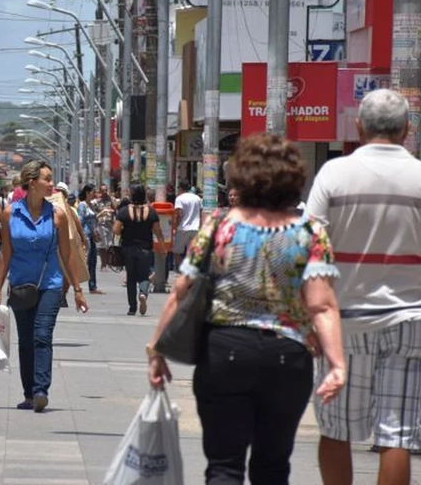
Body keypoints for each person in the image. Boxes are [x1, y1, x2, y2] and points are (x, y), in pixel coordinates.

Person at [147, 132, 346, 485]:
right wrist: (336, 364)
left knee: (224, 466)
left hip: (225, 351)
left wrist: (157, 349)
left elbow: (182, 290)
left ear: (239, 176)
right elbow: (322, 305)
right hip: (288, 357)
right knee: (273, 466)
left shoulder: (220, 228)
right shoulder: (310, 232)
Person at [306, 89, 421, 485]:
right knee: (397, 434)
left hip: (343, 319)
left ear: (359, 127)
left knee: (336, 428)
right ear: (408, 129)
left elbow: (310, 249)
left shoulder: (334, 175)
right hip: (410, 319)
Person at [0, 160, 87, 413]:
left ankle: (41, 390)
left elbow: (66, 255)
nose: (51, 183)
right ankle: (29, 394)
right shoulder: (10, 213)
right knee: (26, 340)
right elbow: (6, 255)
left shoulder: (58, 215)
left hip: (50, 284)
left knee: (42, 335)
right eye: (46, 178)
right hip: (21, 284)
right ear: (32, 182)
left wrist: (77, 289)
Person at [113, 185, 166, 316]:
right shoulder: (152, 212)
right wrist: (163, 248)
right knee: (144, 275)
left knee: (130, 277)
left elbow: (115, 230)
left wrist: (125, 228)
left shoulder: (124, 211)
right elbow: (158, 232)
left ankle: (132, 308)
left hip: (128, 247)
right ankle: (143, 293)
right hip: (145, 248)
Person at [48, 182, 88, 308]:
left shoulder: (67, 208)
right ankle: (59, 295)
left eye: (62, 191)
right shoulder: (52, 205)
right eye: (58, 190)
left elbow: (77, 223)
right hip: (53, 243)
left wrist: (82, 238)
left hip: (64, 242)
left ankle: (62, 295)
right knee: (61, 270)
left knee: (65, 271)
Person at [77, 184, 104, 295]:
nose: (95, 194)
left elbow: (93, 220)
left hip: (92, 236)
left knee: (93, 261)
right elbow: (80, 221)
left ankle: (92, 286)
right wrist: (82, 237)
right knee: (85, 261)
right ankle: (76, 283)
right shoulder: (82, 205)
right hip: (85, 236)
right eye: (93, 191)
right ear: (87, 192)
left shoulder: (91, 205)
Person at [173, 179, 203, 271]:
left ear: (180, 188)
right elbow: (201, 213)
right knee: (192, 252)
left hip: (183, 228)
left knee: (176, 251)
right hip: (196, 228)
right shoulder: (197, 198)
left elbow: (179, 214)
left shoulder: (179, 198)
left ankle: (183, 270)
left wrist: (175, 226)